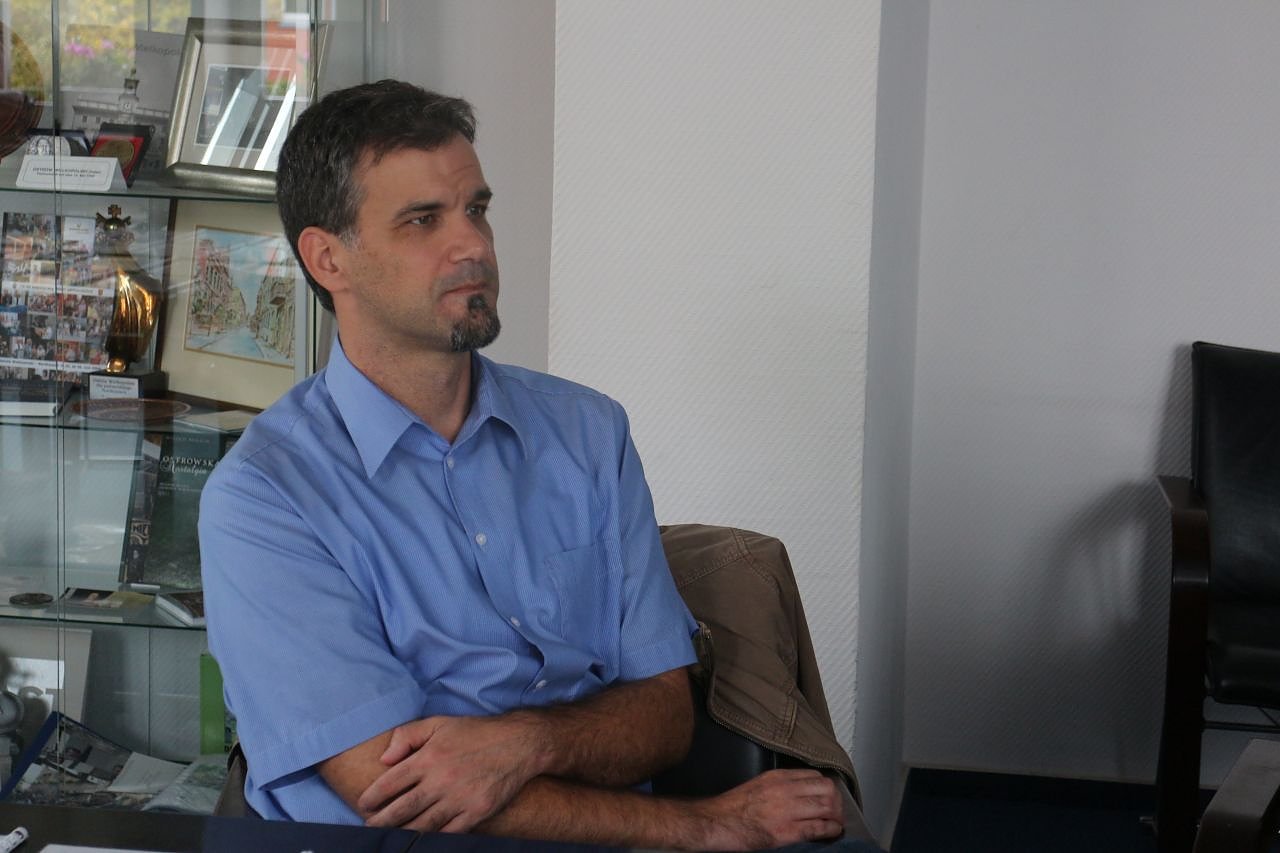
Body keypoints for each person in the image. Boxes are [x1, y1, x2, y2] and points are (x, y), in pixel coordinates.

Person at [199, 80, 848, 851]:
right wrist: (701, 825)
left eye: (476, 209)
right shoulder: (266, 496)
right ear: (328, 257)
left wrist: (524, 743)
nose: (472, 245)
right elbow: (390, 792)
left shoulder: (588, 432)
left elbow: (666, 712)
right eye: (423, 220)